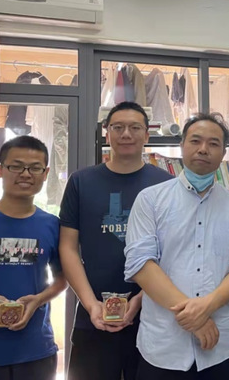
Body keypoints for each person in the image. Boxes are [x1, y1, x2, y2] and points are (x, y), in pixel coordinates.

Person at [124, 112, 229, 380]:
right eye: (195, 141)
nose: (203, 149)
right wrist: (196, 318)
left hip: (224, 346)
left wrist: (206, 307)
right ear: (182, 145)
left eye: (213, 143)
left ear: (223, 152)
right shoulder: (150, 200)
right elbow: (141, 265)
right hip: (164, 349)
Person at [59, 101, 173, 380]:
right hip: (92, 315)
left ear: (147, 135)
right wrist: (90, 304)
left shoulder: (167, 184)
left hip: (153, 314)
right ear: (106, 132)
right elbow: (68, 247)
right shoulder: (81, 182)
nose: (126, 134)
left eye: (135, 128)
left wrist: (142, 299)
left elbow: (174, 250)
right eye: (118, 127)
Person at [0, 135, 66, 380]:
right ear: (0, 170)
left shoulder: (53, 225)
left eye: (35, 168)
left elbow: (62, 279)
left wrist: (39, 299)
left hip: (35, 352)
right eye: (16, 166)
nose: (26, 174)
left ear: (46, 174)